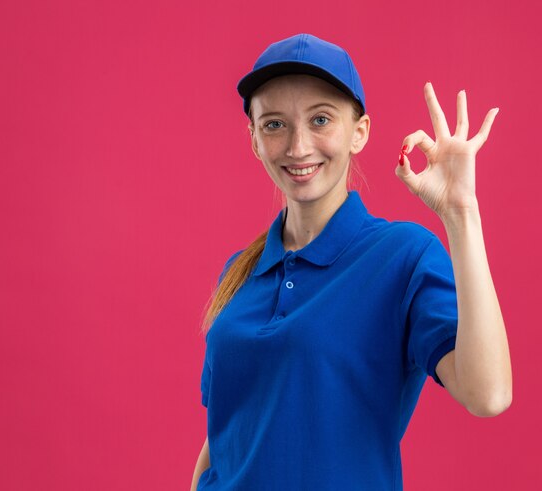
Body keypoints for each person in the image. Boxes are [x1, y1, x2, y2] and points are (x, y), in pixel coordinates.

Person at [190, 33, 512, 491]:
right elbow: (222, 439)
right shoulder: (239, 272)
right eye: (275, 124)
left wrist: (461, 214)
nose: (298, 147)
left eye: (321, 119)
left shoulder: (402, 256)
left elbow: (489, 394)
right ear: (254, 139)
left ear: (359, 131)